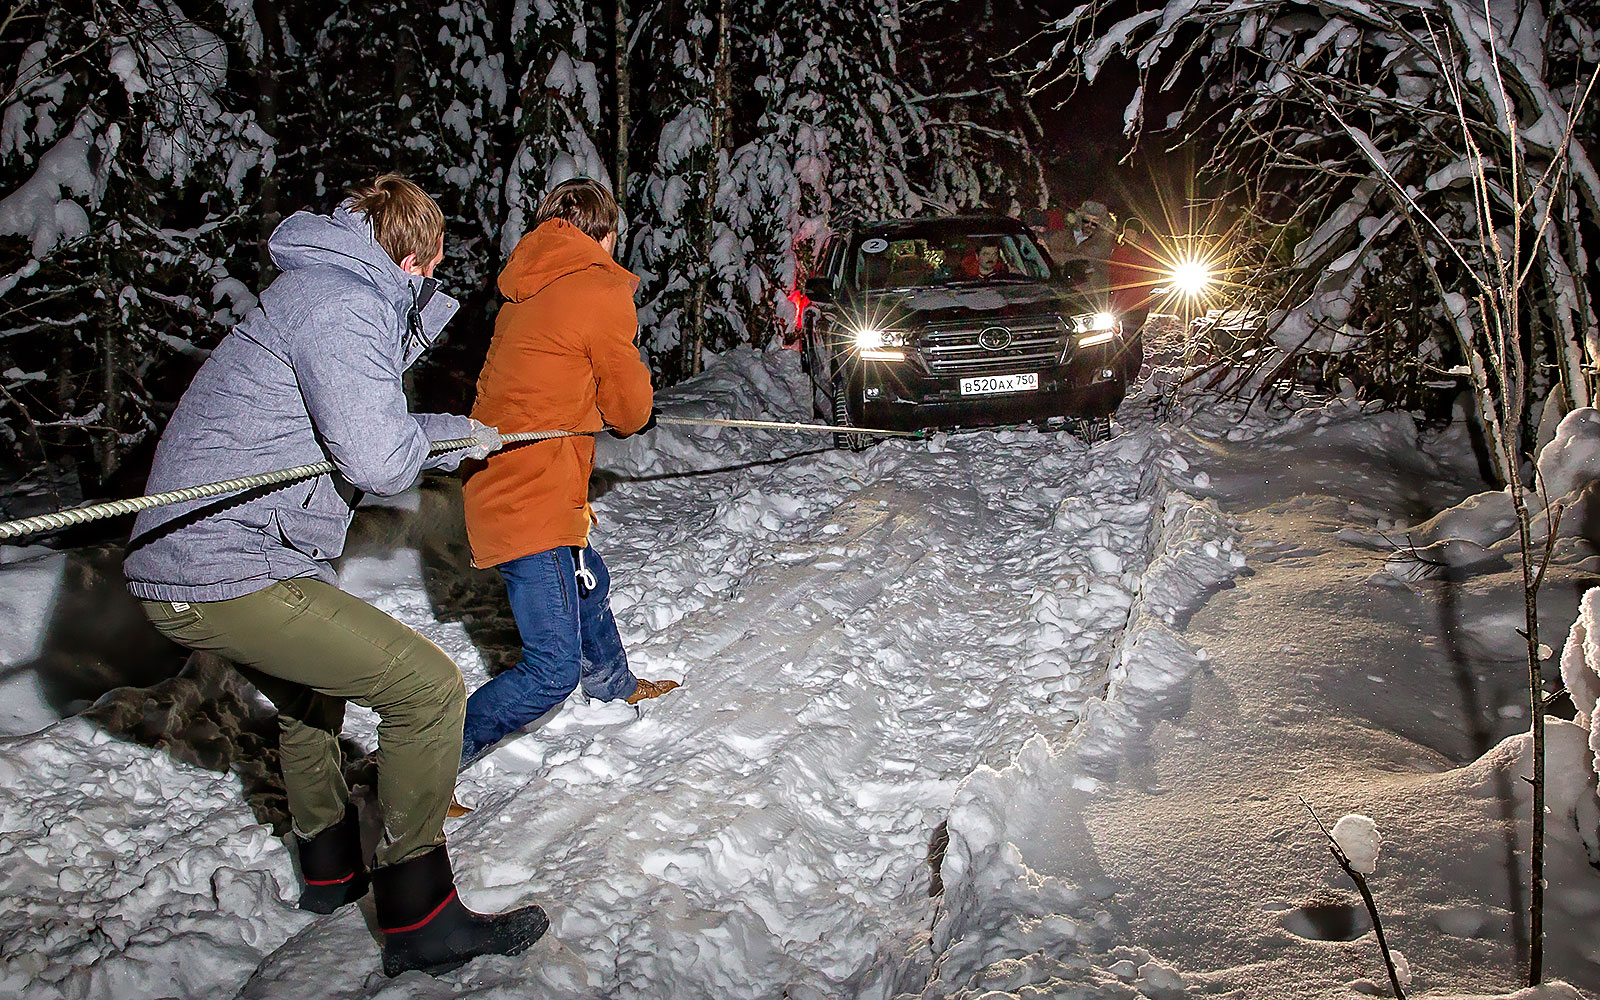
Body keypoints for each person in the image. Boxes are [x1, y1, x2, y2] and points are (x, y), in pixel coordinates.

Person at [123, 174, 548, 978]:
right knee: (425, 688)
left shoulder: (324, 291)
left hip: (204, 559)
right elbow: (382, 462)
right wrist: (441, 440)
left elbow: (369, 430)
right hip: (220, 567)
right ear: (415, 255)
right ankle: (422, 915)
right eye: (432, 267)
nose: (430, 285)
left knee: (311, 693)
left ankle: (328, 868)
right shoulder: (344, 305)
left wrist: (468, 434)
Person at [459, 177, 678, 767]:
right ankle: (426, 761)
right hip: (530, 496)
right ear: (605, 234)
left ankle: (612, 686)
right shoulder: (599, 286)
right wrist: (630, 405)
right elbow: (629, 412)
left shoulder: (525, 284)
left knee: (586, 583)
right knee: (550, 668)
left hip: (510, 479)